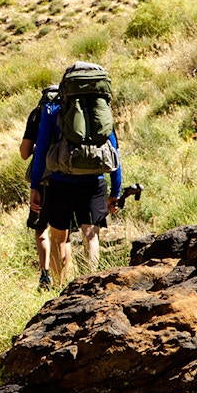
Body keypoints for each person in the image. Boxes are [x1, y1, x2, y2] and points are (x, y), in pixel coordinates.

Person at [34, 63, 122, 282]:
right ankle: (92, 283)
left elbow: (42, 149)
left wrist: (35, 186)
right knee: (91, 236)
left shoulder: (53, 110)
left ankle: (59, 287)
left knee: (58, 238)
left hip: (61, 182)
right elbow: (113, 150)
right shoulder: (101, 111)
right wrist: (116, 189)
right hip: (94, 181)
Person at [21, 85, 67, 290]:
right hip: (66, 174)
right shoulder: (69, 109)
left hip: (41, 178)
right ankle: (64, 281)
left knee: (41, 229)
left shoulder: (37, 113)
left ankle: (45, 274)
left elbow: (24, 152)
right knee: (63, 232)